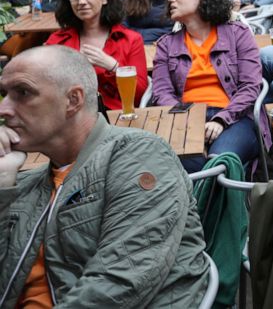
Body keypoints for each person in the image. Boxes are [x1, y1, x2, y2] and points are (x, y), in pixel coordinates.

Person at [0, 46, 210, 306]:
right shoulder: (25, 182)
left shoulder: (139, 155)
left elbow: (121, 281)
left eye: (23, 93)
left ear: (73, 100)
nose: (4, 109)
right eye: (3, 94)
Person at [152, 0, 267, 172]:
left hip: (234, 117)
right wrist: (189, 121)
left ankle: (201, 203)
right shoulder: (166, 45)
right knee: (189, 161)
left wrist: (222, 119)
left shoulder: (237, 34)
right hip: (185, 118)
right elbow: (161, 93)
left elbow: (250, 86)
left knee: (220, 161)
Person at [46, 0, 148, 109]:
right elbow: (44, 86)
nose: (81, 2)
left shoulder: (130, 39)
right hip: (68, 116)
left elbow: (139, 94)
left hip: (114, 119)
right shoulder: (57, 40)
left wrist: (112, 66)